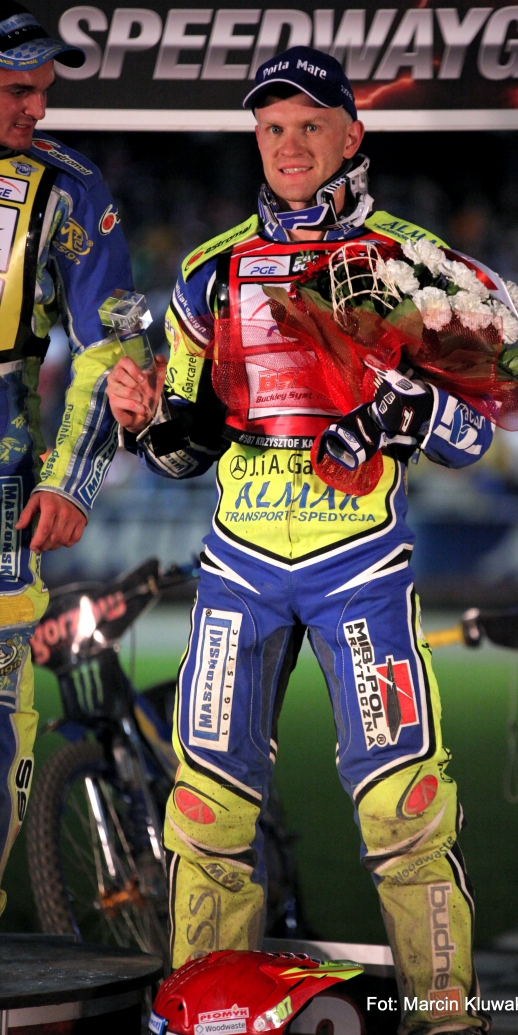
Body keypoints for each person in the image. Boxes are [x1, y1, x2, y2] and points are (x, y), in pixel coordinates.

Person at [108, 47, 493, 1035]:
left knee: (403, 815)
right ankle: (209, 1016)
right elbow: (188, 452)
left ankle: (447, 1020)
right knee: (204, 816)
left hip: (358, 569)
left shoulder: (414, 264)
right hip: (239, 568)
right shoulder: (209, 274)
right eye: (272, 127)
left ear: (352, 135)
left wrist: (407, 402)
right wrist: (149, 420)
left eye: (309, 124)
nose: (288, 145)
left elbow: (472, 432)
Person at [0, 2, 140, 914]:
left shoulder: (71, 185)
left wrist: (70, 477)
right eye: (18, 90)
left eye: (44, 92)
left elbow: (109, 344)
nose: (37, 109)